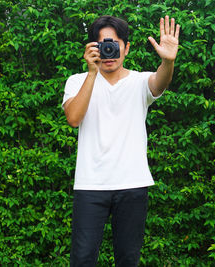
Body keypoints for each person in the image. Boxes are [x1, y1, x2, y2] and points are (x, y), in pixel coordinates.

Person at [61, 15, 180, 266]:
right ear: (92, 47)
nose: (109, 52)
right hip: (90, 185)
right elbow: (73, 118)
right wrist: (92, 73)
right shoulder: (77, 81)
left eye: (114, 44)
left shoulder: (139, 82)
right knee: (81, 259)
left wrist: (167, 62)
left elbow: (160, 83)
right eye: (103, 44)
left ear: (126, 47)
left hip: (132, 184)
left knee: (128, 259)